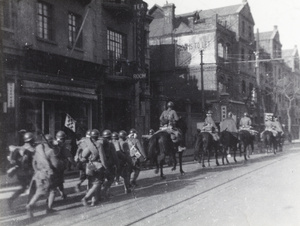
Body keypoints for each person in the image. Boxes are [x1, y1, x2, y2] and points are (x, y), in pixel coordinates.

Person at [26, 134, 54, 217]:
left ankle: (49, 208)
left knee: (51, 190)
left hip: (38, 173)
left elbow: (34, 163)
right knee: (41, 192)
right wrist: (49, 170)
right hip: (44, 173)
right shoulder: (43, 149)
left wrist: (36, 171)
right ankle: (30, 205)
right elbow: (44, 160)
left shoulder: (36, 149)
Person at [7, 132, 35, 209]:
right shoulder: (31, 149)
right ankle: (29, 204)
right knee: (33, 187)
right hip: (28, 172)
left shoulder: (19, 148)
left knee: (23, 188)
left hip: (20, 172)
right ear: (31, 140)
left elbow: (12, 160)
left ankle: (11, 199)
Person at [81, 129, 107, 206]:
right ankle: (86, 198)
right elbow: (102, 157)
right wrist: (105, 167)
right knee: (98, 182)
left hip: (89, 165)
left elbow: (83, 155)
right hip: (97, 166)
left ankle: (94, 200)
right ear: (98, 136)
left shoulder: (88, 144)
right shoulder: (99, 144)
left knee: (91, 182)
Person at [55, 130, 76, 199]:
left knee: (56, 181)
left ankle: (62, 194)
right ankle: (50, 198)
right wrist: (74, 164)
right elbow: (69, 157)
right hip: (59, 166)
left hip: (51, 166)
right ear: (63, 139)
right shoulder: (63, 146)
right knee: (59, 181)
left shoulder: (52, 144)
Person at [100, 130, 120, 200]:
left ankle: (102, 193)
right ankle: (105, 193)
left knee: (101, 180)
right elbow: (114, 155)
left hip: (100, 164)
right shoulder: (111, 144)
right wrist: (117, 164)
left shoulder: (99, 143)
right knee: (110, 179)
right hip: (109, 164)